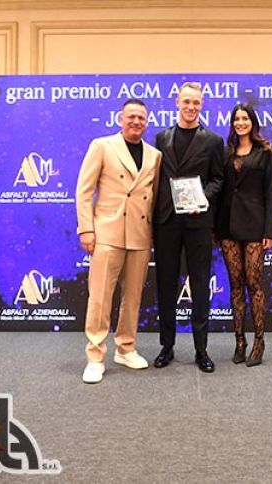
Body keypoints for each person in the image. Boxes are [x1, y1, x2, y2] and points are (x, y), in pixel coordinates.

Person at [75, 99, 162, 384]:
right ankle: (95, 356)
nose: (136, 122)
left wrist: (153, 232)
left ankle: (126, 348)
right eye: (131, 117)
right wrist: (86, 229)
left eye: (141, 118)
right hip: (107, 233)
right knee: (100, 297)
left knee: (133, 297)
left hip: (139, 234)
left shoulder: (154, 155)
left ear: (147, 122)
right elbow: (84, 191)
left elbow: (155, 197)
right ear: (120, 119)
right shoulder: (102, 146)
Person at [152, 82, 224, 373]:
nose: (191, 107)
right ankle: (166, 346)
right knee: (166, 285)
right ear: (177, 103)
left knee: (200, 286)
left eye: (196, 102)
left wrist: (201, 198)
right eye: (186, 102)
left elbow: (218, 179)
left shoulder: (213, 141)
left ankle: (201, 349)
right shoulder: (161, 137)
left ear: (202, 105)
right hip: (166, 222)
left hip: (198, 223)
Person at [216, 103, 272, 367]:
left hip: (255, 225)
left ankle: (259, 342)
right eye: (236, 119)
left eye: (245, 118)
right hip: (228, 226)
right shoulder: (226, 151)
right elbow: (220, 189)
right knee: (235, 286)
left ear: (253, 122)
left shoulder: (267, 151)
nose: (240, 122)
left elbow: (271, 192)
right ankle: (239, 341)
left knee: (254, 285)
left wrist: (270, 231)